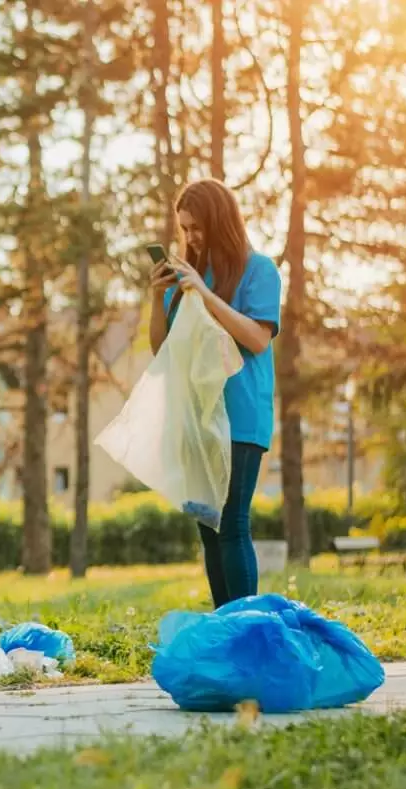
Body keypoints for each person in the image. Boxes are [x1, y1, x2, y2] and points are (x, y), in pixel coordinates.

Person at [148, 178, 282, 609]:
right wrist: (158, 298)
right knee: (208, 526)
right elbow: (162, 349)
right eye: (185, 229)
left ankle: (246, 632)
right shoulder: (185, 278)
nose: (191, 237)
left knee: (232, 523)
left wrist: (204, 295)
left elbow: (258, 339)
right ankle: (227, 627)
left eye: (198, 227)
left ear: (221, 221)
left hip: (241, 415)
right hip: (198, 415)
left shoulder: (259, 270)